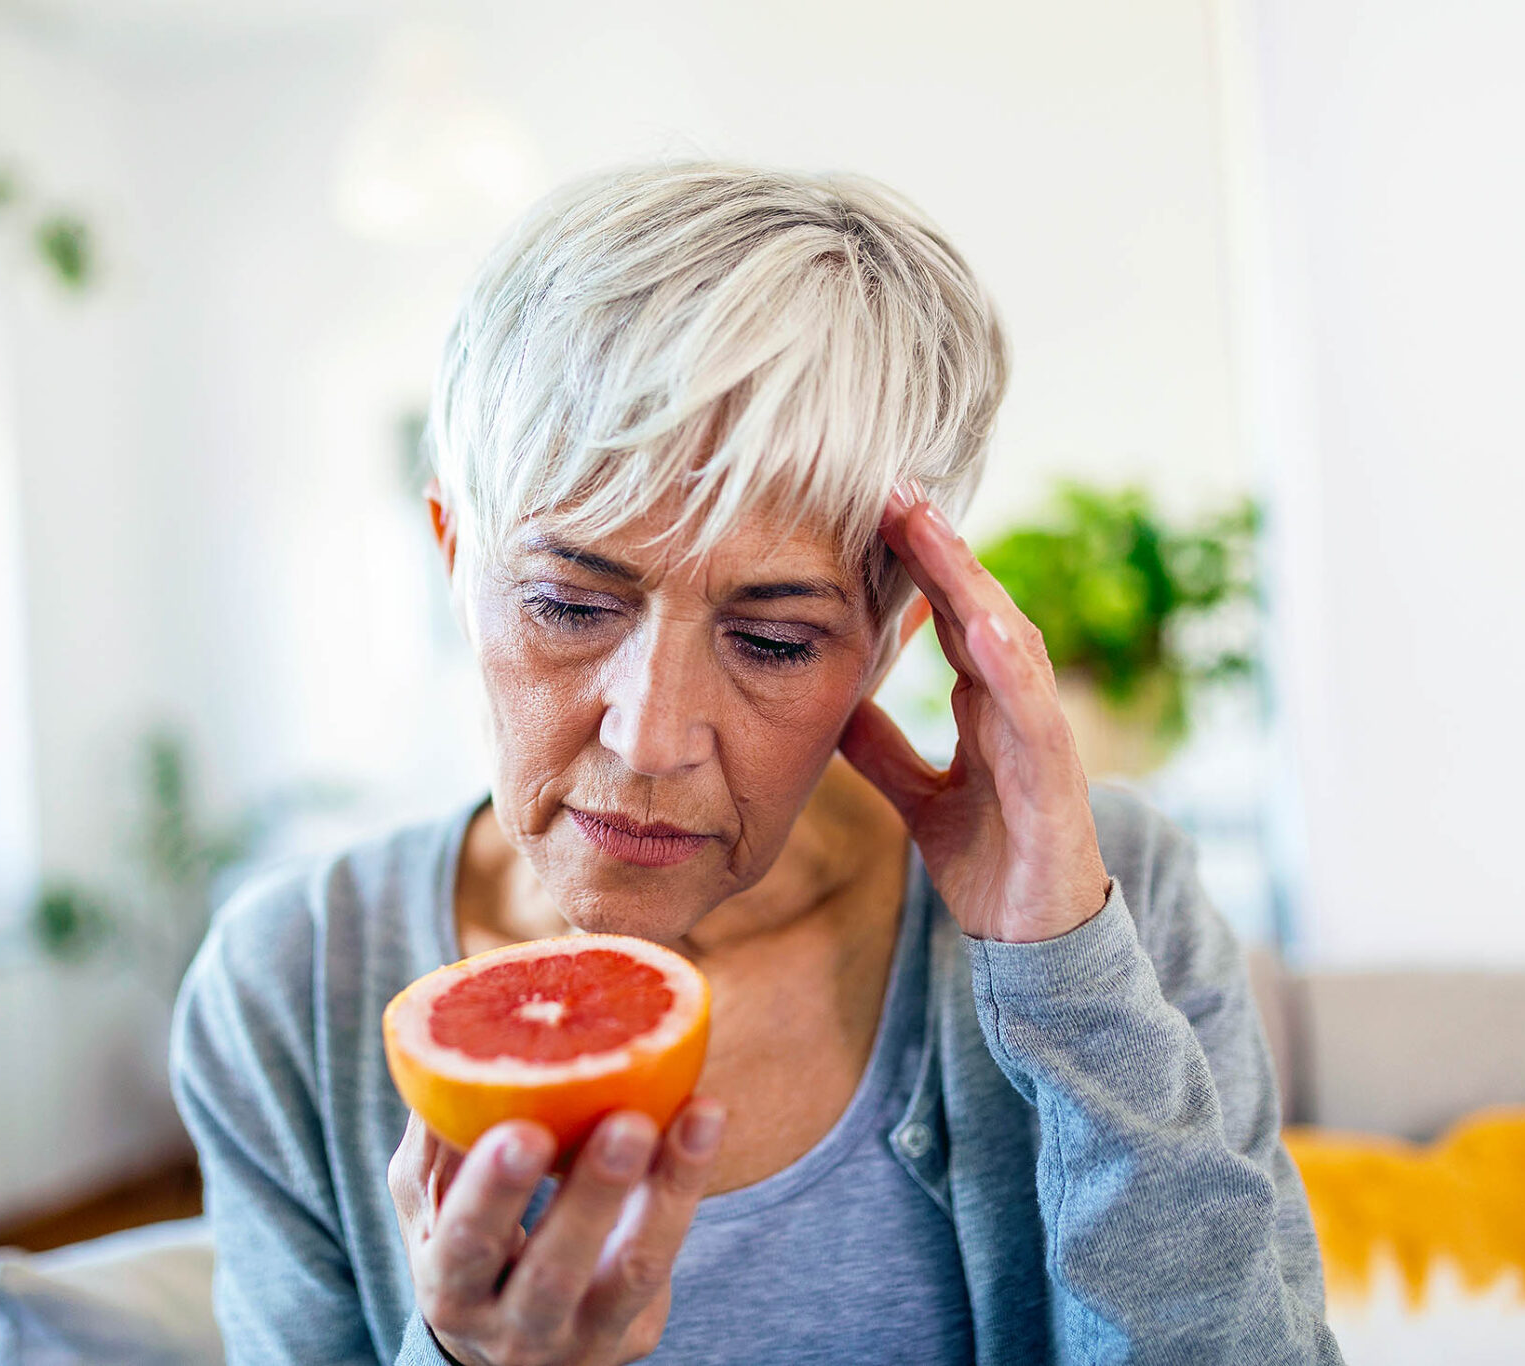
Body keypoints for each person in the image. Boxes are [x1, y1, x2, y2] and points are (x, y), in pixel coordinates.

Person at [171, 162, 1341, 1365]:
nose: (649, 737)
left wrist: (1067, 980)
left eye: (774, 640)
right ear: (451, 552)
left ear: (892, 637)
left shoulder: (1103, 896)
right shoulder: (290, 986)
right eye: (568, 605)